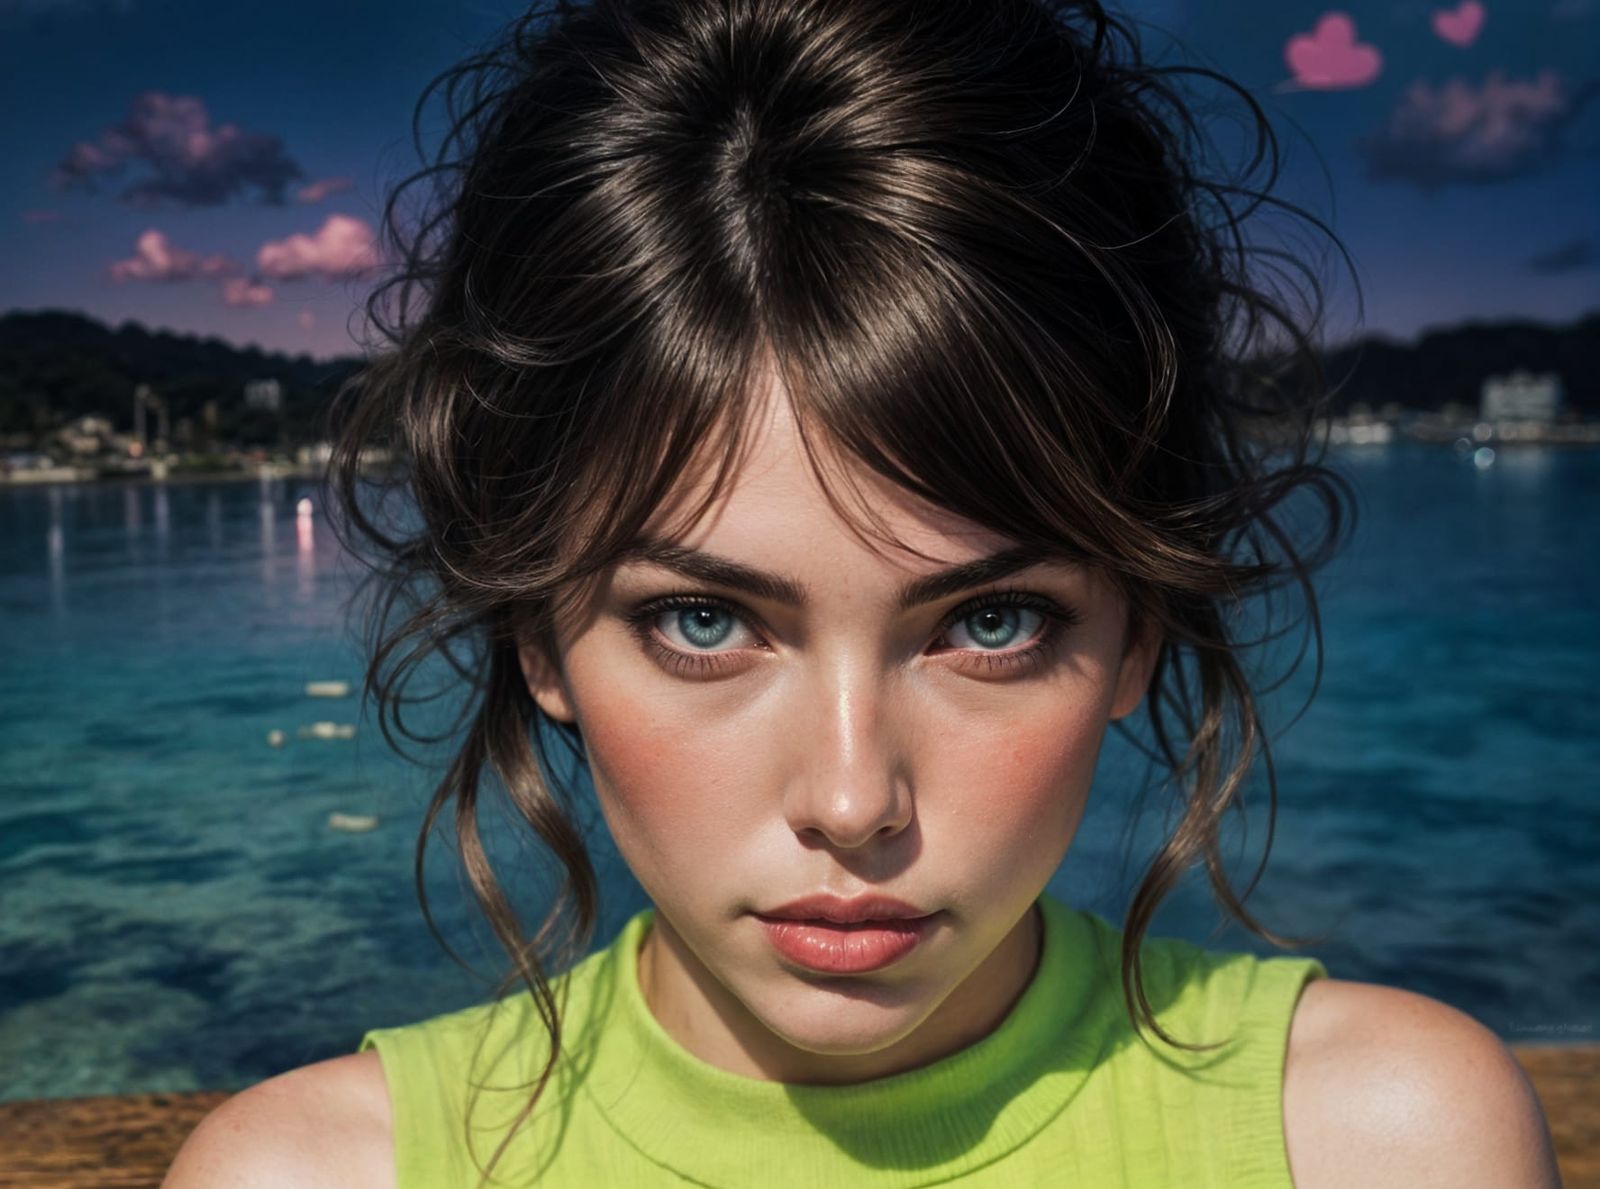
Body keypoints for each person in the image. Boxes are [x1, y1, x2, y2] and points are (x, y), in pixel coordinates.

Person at [163, 0, 1562, 1185]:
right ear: (538, 632)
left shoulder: (1382, 1144)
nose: (850, 799)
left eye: (990, 622)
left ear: (1139, 620)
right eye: (700, 621)